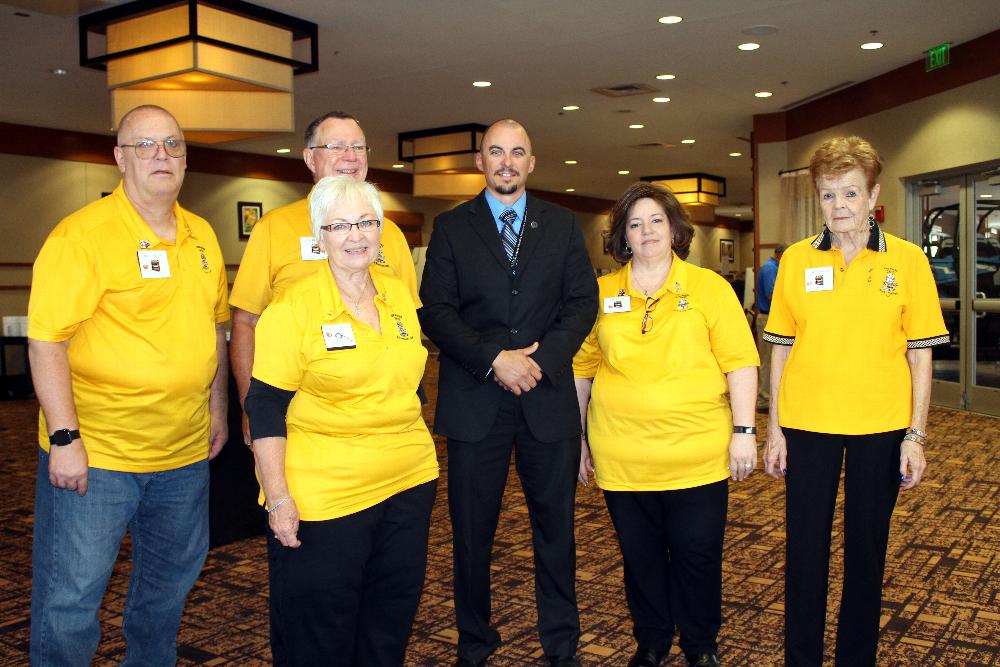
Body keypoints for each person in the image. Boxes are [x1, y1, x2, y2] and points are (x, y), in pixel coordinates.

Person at [28, 104, 229, 665]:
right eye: (145, 145)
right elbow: (46, 342)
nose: (161, 156)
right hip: (99, 456)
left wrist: (216, 409)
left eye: (173, 144)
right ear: (119, 157)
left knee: (167, 589)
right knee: (70, 599)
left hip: (183, 456)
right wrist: (65, 438)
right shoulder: (82, 236)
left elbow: (214, 328)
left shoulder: (203, 235)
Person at [762, 136, 948, 666]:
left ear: (872, 196)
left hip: (880, 426)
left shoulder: (908, 262)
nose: (838, 206)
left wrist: (916, 434)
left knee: (866, 551)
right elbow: (780, 351)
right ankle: (802, 657)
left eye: (849, 194)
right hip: (808, 424)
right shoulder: (796, 261)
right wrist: (775, 428)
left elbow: (920, 357)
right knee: (805, 552)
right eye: (827, 195)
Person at [419, 119, 598, 666]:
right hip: (476, 403)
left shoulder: (563, 225)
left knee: (557, 532)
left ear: (531, 162)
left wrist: (538, 363)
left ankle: (561, 643)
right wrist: (495, 360)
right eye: (496, 151)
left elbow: (581, 304)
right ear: (480, 161)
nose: (506, 162)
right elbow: (438, 313)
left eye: (517, 152)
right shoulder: (451, 227)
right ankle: (474, 641)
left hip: (547, 403)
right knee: (471, 536)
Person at [244, 176, 438, 666]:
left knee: (387, 624)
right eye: (340, 225)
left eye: (367, 222)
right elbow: (264, 407)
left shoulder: (399, 297)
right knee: (319, 636)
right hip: (325, 498)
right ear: (319, 235)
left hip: (408, 483)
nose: (356, 235)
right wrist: (279, 499)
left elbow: (411, 386)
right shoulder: (293, 309)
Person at [574, 182, 759, 667]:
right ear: (622, 237)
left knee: (697, 557)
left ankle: (700, 645)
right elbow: (582, 369)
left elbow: (740, 362)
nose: (646, 231)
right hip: (622, 454)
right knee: (641, 558)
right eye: (634, 224)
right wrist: (577, 439)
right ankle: (652, 641)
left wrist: (745, 431)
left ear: (675, 229)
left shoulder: (709, 288)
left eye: (656, 220)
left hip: (696, 454)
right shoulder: (602, 293)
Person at [230, 111, 419, 443]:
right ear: (309, 158)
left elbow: (408, 323)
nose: (350, 156)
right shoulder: (275, 228)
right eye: (337, 146)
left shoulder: (390, 234)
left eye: (358, 147)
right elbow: (246, 322)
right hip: (300, 414)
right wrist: (252, 408)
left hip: (386, 420)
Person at [754, 244, 785, 412]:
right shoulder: (769, 269)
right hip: (767, 317)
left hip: (773, 317)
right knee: (768, 359)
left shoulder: (774, 267)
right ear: (781, 254)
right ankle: (764, 399)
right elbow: (772, 295)